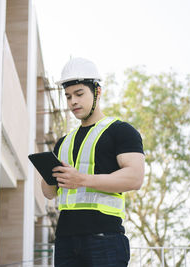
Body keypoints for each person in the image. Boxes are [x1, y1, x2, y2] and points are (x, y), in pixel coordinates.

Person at [41, 57, 145, 267]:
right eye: (68, 96)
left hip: (104, 238)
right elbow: (49, 192)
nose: (73, 102)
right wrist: (49, 176)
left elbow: (135, 178)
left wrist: (81, 179)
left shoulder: (120, 131)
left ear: (97, 92)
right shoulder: (63, 142)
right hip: (65, 241)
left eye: (79, 94)